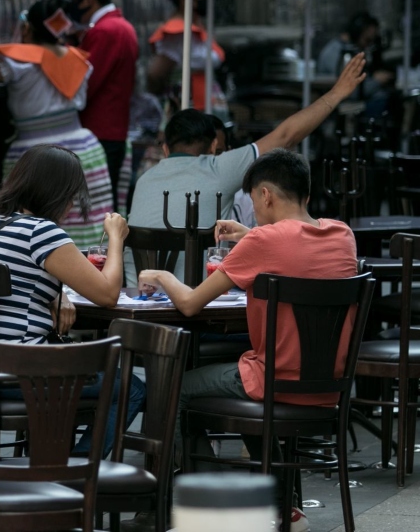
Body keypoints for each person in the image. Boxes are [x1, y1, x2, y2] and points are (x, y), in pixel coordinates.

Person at [137, 149, 358, 530]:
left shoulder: (263, 242)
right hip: (327, 390)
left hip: (272, 382)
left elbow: (190, 304)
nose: (253, 209)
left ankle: (215, 507)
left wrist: (160, 276)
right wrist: (252, 236)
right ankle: (280, 506)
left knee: (167, 385)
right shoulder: (342, 235)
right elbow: (293, 244)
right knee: (244, 378)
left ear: (266, 195)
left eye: (254, 200)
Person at [125, 53, 367, 286]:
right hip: (199, 302)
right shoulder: (219, 167)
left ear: (166, 150)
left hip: (139, 299)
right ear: (213, 145)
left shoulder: (144, 180)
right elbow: (286, 136)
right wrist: (336, 94)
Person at [0, 144, 145, 458]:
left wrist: (55, 293)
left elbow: (18, 274)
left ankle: (56, 461)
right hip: (25, 371)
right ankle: (75, 471)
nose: (73, 205)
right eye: (72, 195)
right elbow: (107, 294)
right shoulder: (42, 232)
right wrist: (116, 238)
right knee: (130, 385)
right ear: (55, 192)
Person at [0, 0, 112, 248]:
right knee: (85, 221)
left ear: (28, 28)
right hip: (83, 150)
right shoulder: (78, 59)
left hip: (33, 155)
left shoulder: (18, 60)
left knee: (32, 225)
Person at [62, 0, 138, 198]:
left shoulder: (105, 31)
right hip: (111, 133)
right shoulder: (120, 27)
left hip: (100, 134)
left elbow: (84, 84)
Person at [146, 0, 228, 118]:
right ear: (185, 0)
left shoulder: (194, 25)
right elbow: (155, 74)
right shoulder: (177, 33)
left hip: (205, 103)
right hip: (188, 105)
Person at [317, 11, 393, 118]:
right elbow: (349, 90)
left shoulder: (352, 49)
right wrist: (376, 81)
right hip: (338, 104)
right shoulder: (336, 52)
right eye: (367, 40)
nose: (369, 45)